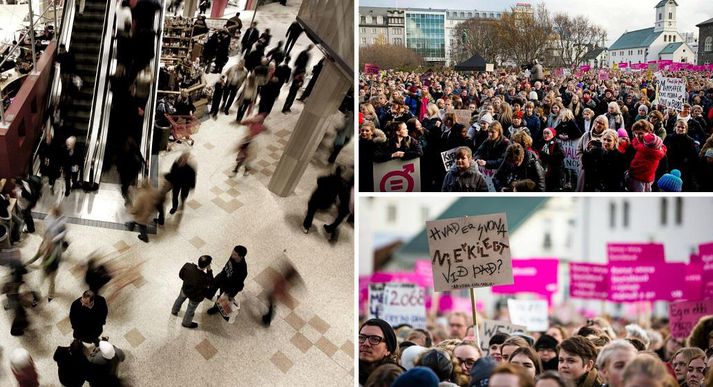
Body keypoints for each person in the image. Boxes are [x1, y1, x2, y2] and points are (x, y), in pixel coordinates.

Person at [25, 206, 66, 302]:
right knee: (40, 281)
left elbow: (46, 263)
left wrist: (35, 266)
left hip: (53, 268)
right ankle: (37, 296)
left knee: (51, 282)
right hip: (45, 266)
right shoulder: (44, 243)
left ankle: (51, 294)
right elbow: (37, 255)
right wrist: (29, 261)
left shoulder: (56, 249)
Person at [172, 255, 213, 329]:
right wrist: (209, 271)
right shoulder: (205, 277)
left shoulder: (188, 266)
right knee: (190, 309)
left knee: (179, 299)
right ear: (207, 265)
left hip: (185, 289)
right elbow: (211, 283)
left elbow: (181, 275)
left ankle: (174, 310)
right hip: (195, 297)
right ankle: (186, 323)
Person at [301, 166, 347, 233]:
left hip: (316, 198)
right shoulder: (341, 184)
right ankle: (307, 224)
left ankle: (306, 226)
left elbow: (319, 180)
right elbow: (341, 195)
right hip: (326, 203)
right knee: (313, 210)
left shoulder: (327, 178)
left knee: (311, 212)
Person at [206, 246, 248, 316]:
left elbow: (239, 286)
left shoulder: (242, 271)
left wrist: (231, 294)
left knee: (222, 300)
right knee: (212, 287)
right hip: (222, 276)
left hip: (228, 286)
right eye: (232, 252)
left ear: (241, 257)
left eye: (235, 254)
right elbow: (227, 265)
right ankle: (209, 295)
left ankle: (216, 309)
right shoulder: (232, 257)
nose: (232, 255)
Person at [359, 318, 400, 385]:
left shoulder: (399, 378)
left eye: (374, 339)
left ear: (388, 349)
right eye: (361, 337)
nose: (366, 344)